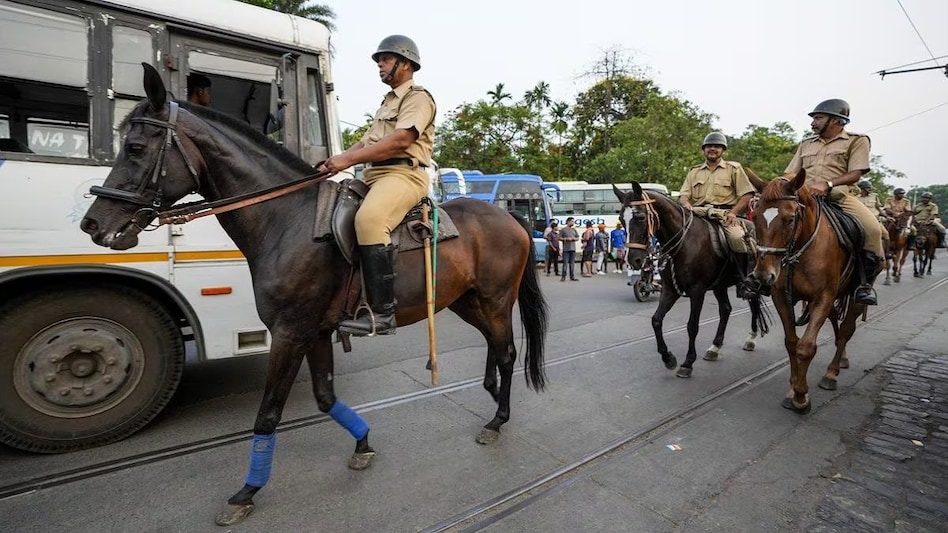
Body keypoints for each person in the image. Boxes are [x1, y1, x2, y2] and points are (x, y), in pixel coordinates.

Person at [318, 35, 435, 335]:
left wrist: (347, 160)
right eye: (379, 60)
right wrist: (332, 162)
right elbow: (366, 143)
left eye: (385, 59)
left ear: (405, 63)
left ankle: (383, 314)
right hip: (374, 176)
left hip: (404, 175)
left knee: (369, 220)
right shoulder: (387, 102)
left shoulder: (418, 98)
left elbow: (401, 140)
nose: (379, 65)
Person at [784, 99, 883, 305]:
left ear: (836, 120)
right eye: (813, 118)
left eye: (818, 118)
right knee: (774, 224)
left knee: (873, 230)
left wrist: (827, 184)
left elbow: (856, 173)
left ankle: (864, 285)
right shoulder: (806, 143)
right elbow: (790, 173)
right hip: (804, 198)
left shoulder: (857, 140)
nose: (813, 123)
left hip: (839, 198)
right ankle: (762, 276)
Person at [678, 131, 756, 294]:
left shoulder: (734, 169)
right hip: (698, 214)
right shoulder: (694, 171)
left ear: (723, 150)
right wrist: (686, 204)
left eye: (716, 146)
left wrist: (733, 213)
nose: (712, 149)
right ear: (704, 149)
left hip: (724, 215)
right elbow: (684, 195)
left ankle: (744, 280)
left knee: (737, 238)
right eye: (709, 146)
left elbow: (747, 194)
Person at [856, 180, 891, 259]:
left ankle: (887, 253)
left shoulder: (874, 196)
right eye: (868, 188)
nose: (870, 189)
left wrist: (887, 216)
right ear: (862, 189)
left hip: (875, 221)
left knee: (886, 234)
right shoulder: (855, 198)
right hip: (861, 221)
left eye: (870, 188)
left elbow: (879, 209)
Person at [559, 217, 580, 281]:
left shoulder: (574, 230)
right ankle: (563, 276)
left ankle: (572, 276)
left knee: (572, 263)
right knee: (565, 263)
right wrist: (565, 239)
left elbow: (577, 237)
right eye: (572, 221)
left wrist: (574, 239)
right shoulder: (563, 230)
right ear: (568, 222)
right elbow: (559, 237)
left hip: (573, 249)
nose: (573, 223)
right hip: (566, 249)